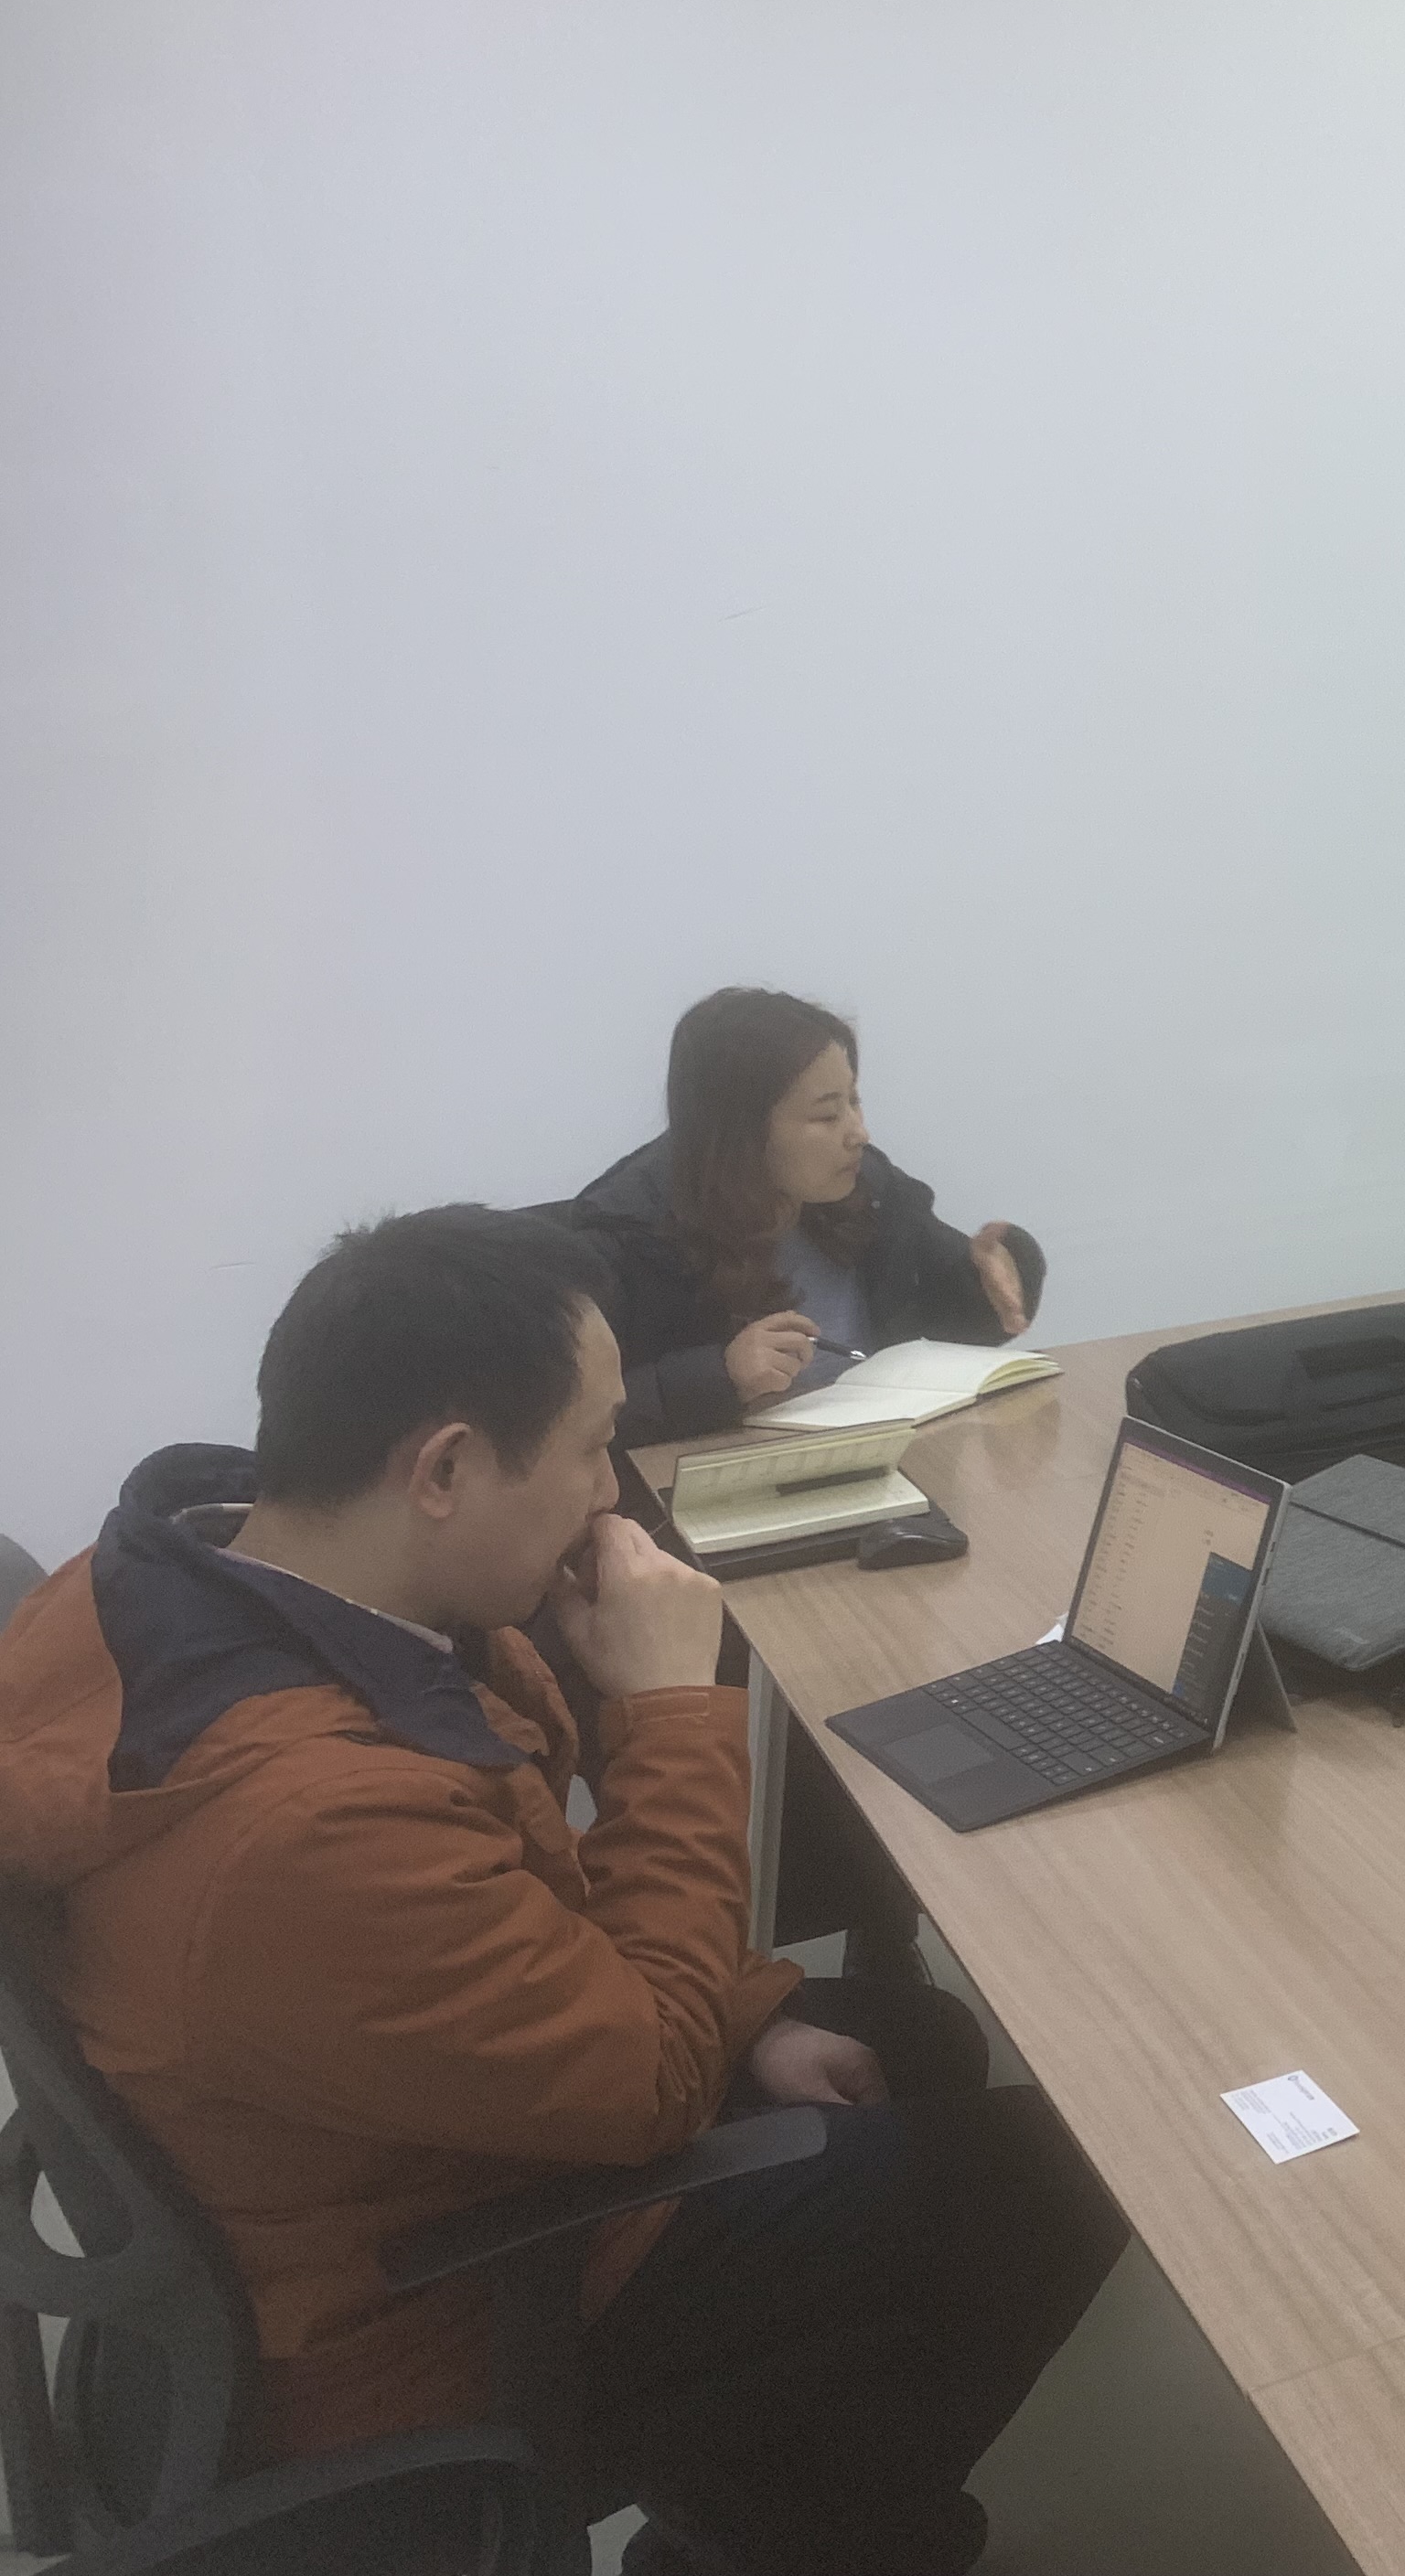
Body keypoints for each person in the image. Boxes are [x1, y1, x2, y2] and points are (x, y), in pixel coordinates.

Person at [0, 1207, 1122, 2574]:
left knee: (912, 2039)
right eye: (594, 1448)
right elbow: (647, 2083)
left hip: (366, 2141)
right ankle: (784, 2536)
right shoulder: (306, 1826)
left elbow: (502, 1879)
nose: (609, 1495)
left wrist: (750, 2008)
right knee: (1043, 2179)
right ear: (444, 1470)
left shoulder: (188, 1586)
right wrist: (670, 1711)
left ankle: (787, 2491)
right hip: (412, 2320)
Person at [568, 986, 1043, 1444]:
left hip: (886, 1452)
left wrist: (996, 1278)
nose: (858, 1134)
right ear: (742, 1133)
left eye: (854, 1101)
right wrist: (720, 1376)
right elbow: (573, 1423)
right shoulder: (628, 1235)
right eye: (826, 1116)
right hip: (728, 1478)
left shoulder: (870, 1187)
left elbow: (952, 1323)